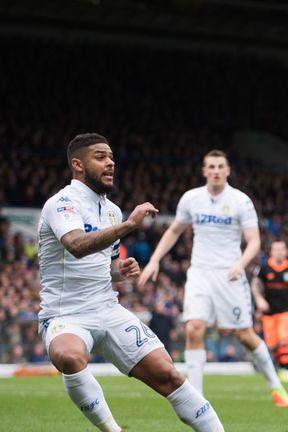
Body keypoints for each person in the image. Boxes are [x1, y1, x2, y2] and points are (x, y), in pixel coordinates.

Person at [38, 133, 224, 431]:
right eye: (100, 157)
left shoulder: (111, 210)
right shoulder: (61, 203)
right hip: (66, 314)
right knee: (69, 356)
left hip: (107, 310)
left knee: (170, 376)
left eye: (111, 156)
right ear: (78, 164)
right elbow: (76, 245)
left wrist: (119, 272)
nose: (110, 162)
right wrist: (129, 226)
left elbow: (103, 265)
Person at [138, 149, 288, 407]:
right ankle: (196, 398)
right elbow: (175, 230)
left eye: (221, 166)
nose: (217, 170)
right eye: (212, 166)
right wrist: (154, 260)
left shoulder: (241, 201)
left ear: (228, 170)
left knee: (244, 335)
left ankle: (275, 385)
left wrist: (240, 264)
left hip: (230, 275)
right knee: (194, 328)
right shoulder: (191, 198)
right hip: (199, 272)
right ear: (204, 170)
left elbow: (254, 241)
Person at [253, 240, 288, 371]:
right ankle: (277, 368)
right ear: (271, 251)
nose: (279, 252)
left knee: (284, 339)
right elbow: (254, 284)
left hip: (286, 310)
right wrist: (259, 299)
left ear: (286, 251)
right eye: (276, 249)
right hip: (269, 312)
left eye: (282, 249)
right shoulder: (264, 268)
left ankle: (286, 368)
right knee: (272, 344)